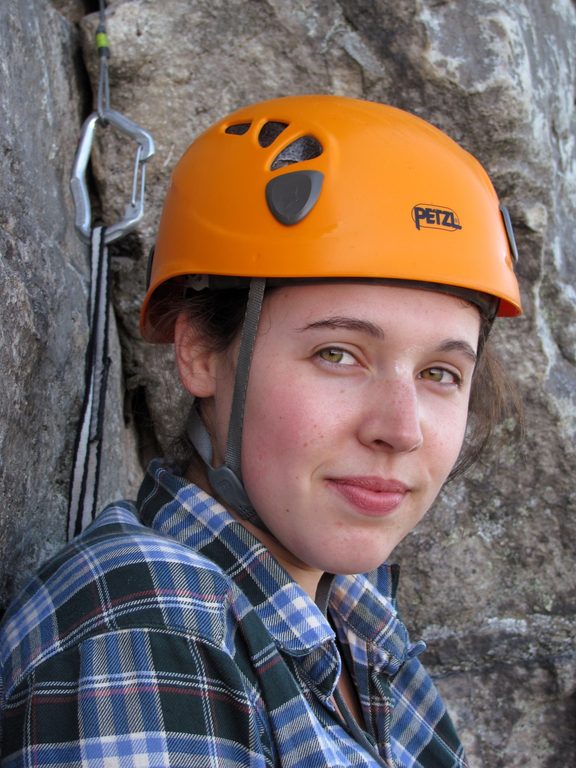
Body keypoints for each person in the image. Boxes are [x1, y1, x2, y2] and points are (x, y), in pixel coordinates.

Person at [0, 95, 521, 767]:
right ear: (199, 353)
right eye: (338, 354)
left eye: (442, 373)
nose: (401, 429)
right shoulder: (148, 628)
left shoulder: (356, 625)